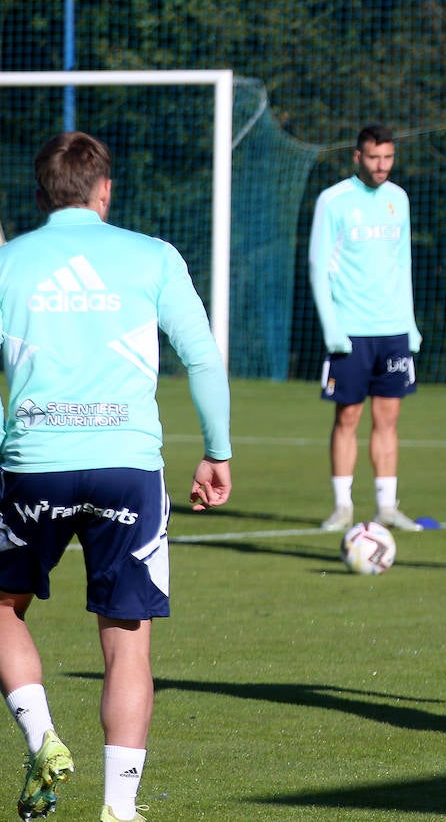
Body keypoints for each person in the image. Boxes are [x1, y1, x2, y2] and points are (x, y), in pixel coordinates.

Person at [0, 132, 233, 822]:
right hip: (128, 467)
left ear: (41, 195)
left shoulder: (9, 263)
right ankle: (119, 808)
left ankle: (43, 737)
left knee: (3, 606)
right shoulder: (153, 257)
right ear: (106, 190)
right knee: (127, 641)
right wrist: (216, 449)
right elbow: (202, 356)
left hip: (33, 465)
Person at [309, 125, 422, 533]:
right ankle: (342, 507)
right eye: (374, 158)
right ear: (357, 157)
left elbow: (402, 263)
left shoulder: (399, 199)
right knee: (348, 417)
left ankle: (387, 507)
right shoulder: (334, 200)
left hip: (392, 330)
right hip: (350, 330)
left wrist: (409, 324)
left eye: (388, 158)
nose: (382, 166)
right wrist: (331, 327)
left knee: (388, 419)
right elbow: (319, 265)